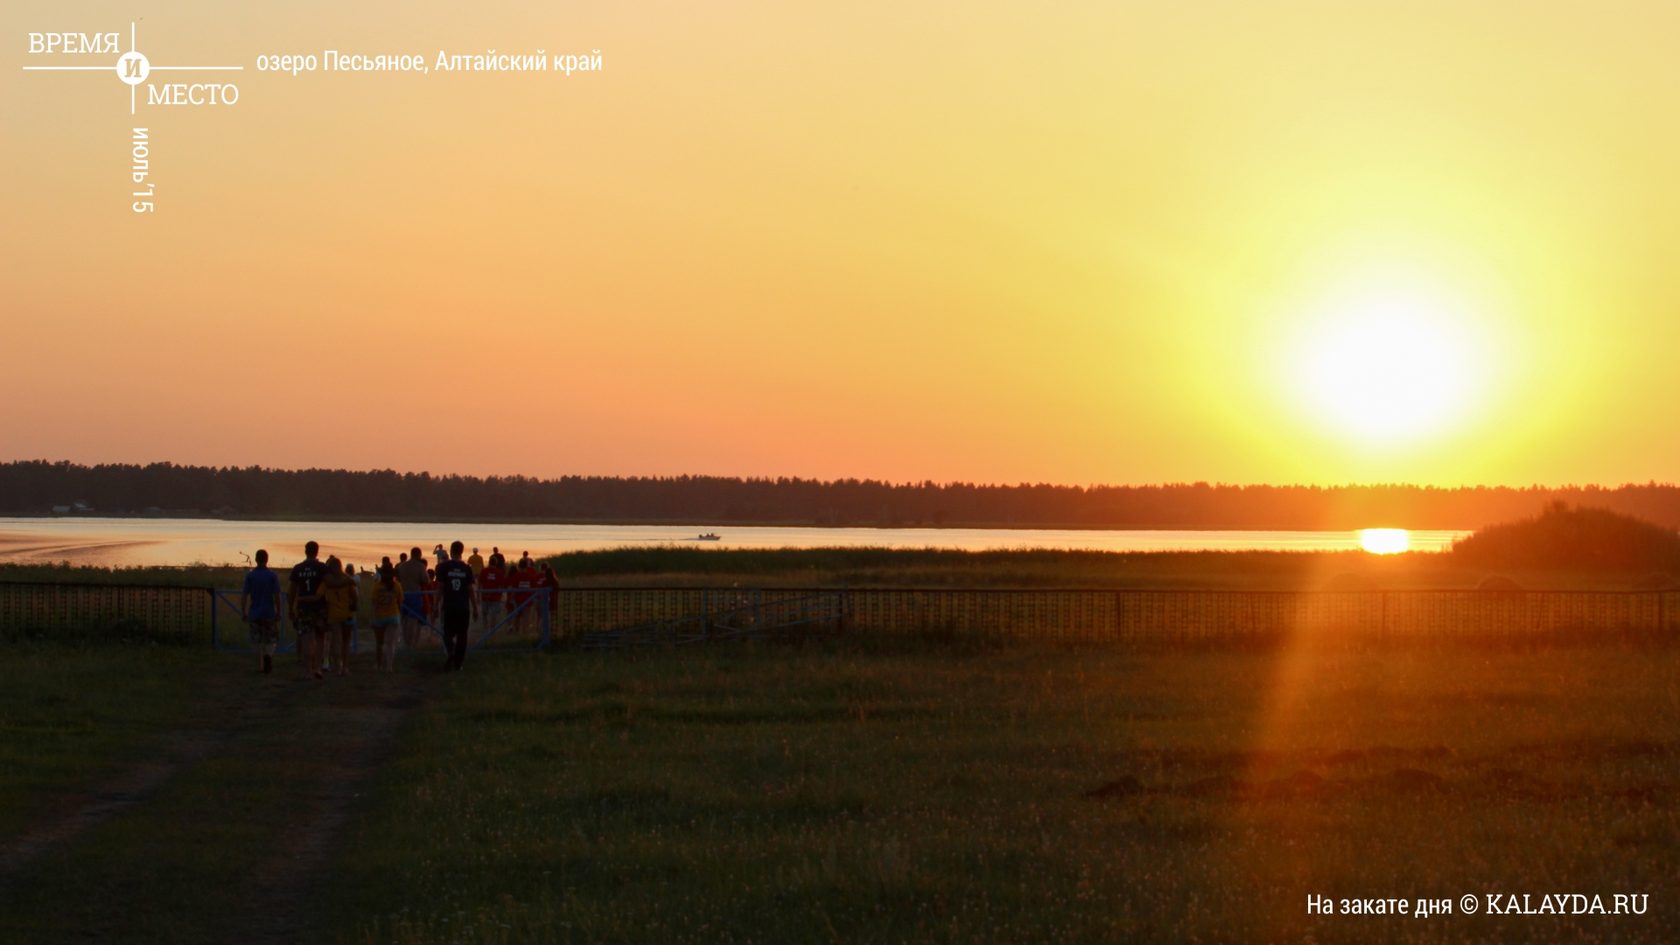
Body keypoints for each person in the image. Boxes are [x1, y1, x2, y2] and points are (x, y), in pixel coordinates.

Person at [436, 540, 479, 671]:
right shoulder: (466, 568)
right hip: (463, 607)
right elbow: (470, 589)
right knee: (462, 635)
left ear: (450, 551)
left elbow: (440, 588)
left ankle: (451, 653)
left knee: (447, 633)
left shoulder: (443, 567)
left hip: (449, 605)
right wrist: (475, 607)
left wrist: (435, 605)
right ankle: (458, 663)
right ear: (461, 552)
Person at [289, 541, 330, 680]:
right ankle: (318, 667)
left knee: (306, 639)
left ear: (305, 551)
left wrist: (290, 608)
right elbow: (328, 586)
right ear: (317, 551)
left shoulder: (298, 568)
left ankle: (308, 670)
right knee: (320, 638)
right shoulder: (322, 568)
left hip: (303, 608)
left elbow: (292, 591)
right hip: (320, 608)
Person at [240, 549, 283, 674]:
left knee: (256, 640)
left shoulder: (250, 575)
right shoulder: (272, 576)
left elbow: (244, 595)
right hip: (268, 612)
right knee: (271, 638)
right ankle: (268, 656)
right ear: (267, 559)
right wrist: (279, 611)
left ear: (256, 559)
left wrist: (243, 611)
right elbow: (277, 595)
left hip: (254, 612)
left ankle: (260, 664)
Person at [320, 556, 358, 677]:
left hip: (333, 614)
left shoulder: (327, 581)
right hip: (347, 614)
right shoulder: (347, 579)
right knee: (346, 642)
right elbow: (355, 596)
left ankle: (337, 667)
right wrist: (354, 605)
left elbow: (320, 595)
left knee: (336, 641)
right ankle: (345, 667)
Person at [370, 563, 403, 671]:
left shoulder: (377, 586)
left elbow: (374, 603)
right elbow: (400, 601)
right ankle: (389, 666)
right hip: (393, 615)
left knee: (379, 643)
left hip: (380, 616)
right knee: (390, 643)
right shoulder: (397, 585)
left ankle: (378, 665)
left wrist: (373, 617)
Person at [396, 546, 429, 649]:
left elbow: (398, 579)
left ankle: (405, 642)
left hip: (403, 594)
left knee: (404, 620)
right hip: (415, 595)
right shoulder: (420, 566)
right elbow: (426, 580)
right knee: (413, 620)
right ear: (419, 555)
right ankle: (410, 645)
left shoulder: (402, 566)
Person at [478, 554, 507, 634]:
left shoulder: (484, 571)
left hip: (485, 596)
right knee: (493, 614)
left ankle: (485, 628)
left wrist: (478, 594)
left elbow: (480, 584)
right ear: (496, 563)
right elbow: (501, 585)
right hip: (495, 597)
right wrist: (500, 595)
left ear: (489, 562)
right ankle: (492, 629)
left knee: (485, 613)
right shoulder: (499, 572)